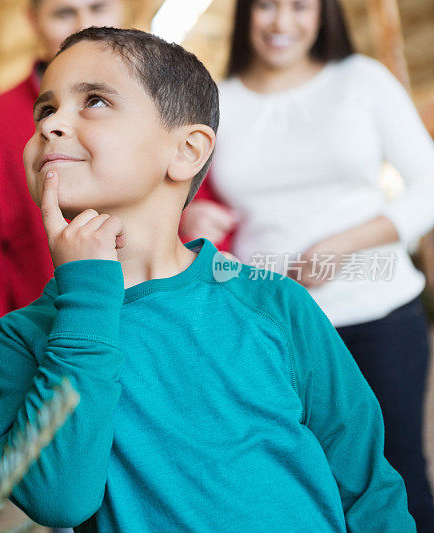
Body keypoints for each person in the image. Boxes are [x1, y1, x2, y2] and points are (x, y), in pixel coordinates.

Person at [0, 26, 415, 531]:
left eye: (95, 101)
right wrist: (85, 295)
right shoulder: (25, 337)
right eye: (45, 109)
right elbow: (59, 500)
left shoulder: (275, 304)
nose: (51, 124)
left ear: (187, 152)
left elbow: (368, 487)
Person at [179, 0, 434, 528]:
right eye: (267, 6)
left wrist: (344, 245)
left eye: (300, 6)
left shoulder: (362, 80)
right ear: (246, 14)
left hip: (378, 312)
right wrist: (194, 213)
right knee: (299, 482)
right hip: (273, 326)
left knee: (395, 474)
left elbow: (428, 187)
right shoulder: (217, 101)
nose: (282, 22)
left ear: (325, 15)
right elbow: (184, 189)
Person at [0, 0, 125, 416]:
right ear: (34, 21)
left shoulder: (154, 108)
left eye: (98, 6)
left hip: (156, 359)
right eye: (64, 13)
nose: (85, 24)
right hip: (45, 375)